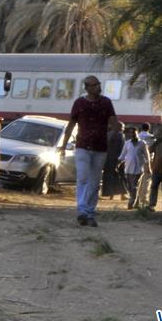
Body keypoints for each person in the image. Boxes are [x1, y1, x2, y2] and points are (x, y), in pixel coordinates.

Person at [61, 75, 118, 227]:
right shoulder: (79, 103)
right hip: (82, 147)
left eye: (98, 84)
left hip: (100, 148)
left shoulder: (106, 102)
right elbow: (71, 125)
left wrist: (109, 138)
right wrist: (63, 145)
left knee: (94, 182)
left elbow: (115, 123)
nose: (98, 87)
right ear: (87, 87)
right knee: (83, 179)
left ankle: (90, 212)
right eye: (94, 85)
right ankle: (82, 211)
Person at [118, 126, 151, 210]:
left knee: (134, 186)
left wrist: (149, 167)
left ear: (137, 133)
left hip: (138, 169)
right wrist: (118, 163)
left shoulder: (142, 143)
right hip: (128, 168)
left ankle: (131, 201)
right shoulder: (127, 143)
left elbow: (147, 156)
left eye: (134, 132)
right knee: (129, 186)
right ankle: (136, 203)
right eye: (131, 133)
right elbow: (122, 155)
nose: (132, 134)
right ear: (129, 134)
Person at [102, 122, 127, 199]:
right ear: (119, 127)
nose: (123, 129)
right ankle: (123, 195)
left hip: (108, 160)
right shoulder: (121, 135)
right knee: (121, 177)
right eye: (123, 127)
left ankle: (111, 195)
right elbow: (123, 149)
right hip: (118, 159)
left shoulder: (107, 134)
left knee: (110, 177)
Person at [136, 122, 154, 207]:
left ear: (141, 128)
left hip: (137, 161)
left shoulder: (137, 136)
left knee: (136, 180)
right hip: (148, 161)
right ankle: (143, 199)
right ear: (149, 128)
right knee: (146, 180)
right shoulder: (151, 137)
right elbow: (153, 149)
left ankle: (134, 199)